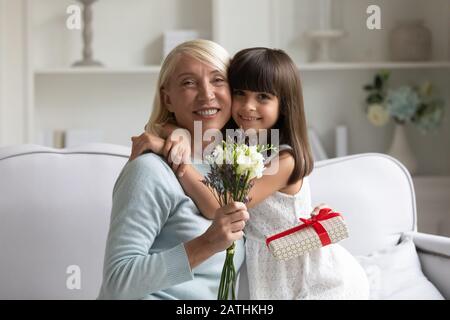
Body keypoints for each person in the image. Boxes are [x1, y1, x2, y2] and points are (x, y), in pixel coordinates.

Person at [135, 47, 370, 299]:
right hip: (267, 271)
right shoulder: (238, 143)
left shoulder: (284, 159)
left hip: (310, 278)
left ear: (284, 105)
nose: (248, 107)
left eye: (263, 97)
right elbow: (177, 122)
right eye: (240, 93)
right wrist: (174, 135)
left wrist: (176, 161)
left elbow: (220, 207)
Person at [97, 40, 249, 300]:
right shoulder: (149, 171)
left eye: (217, 80)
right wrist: (207, 243)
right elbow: (117, 283)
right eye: (188, 83)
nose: (206, 94)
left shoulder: (235, 168)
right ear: (167, 98)